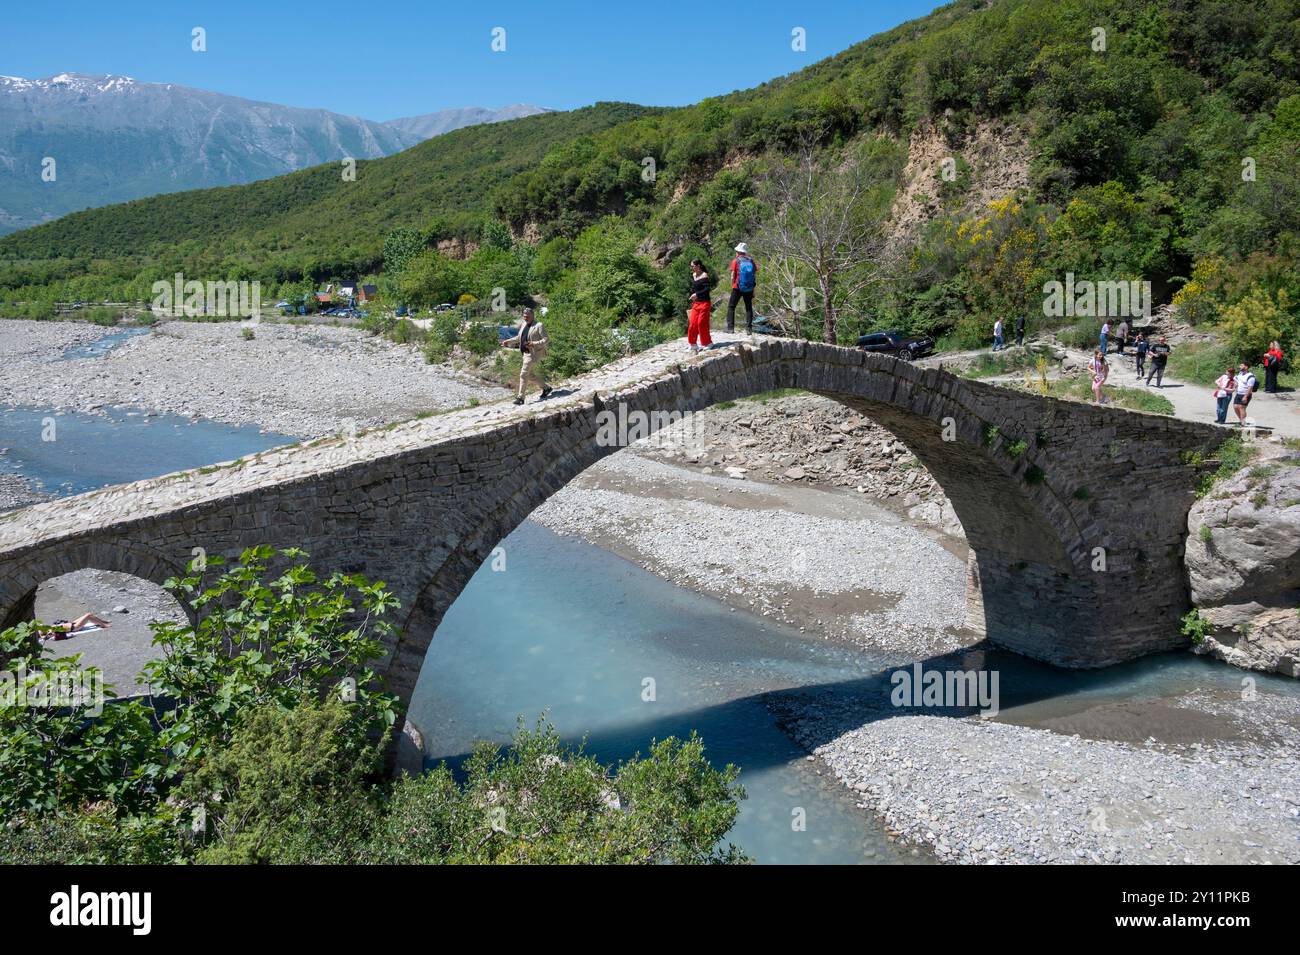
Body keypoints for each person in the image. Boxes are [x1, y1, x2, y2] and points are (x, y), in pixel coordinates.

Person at [501, 307, 552, 405]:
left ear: (532, 315)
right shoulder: (524, 324)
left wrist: (534, 343)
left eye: (527, 316)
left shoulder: (539, 325)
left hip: (533, 354)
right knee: (530, 375)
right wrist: (508, 341)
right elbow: (519, 338)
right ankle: (546, 388)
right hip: (525, 353)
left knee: (523, 374)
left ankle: (521, 398)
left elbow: (546, 339)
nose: (525, 318)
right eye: (524, 316)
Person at [726, 242, 757, 334]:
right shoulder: (751, 261)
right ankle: (749, 329)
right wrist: (753, 289)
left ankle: (730, 328)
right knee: (748, 307)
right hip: (749, 287)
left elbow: (732, 275)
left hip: (737, 287)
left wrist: (733, 285)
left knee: (731, 307)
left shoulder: (736, 261)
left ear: (738, 252)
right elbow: (754, 275)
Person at [686, 259, 714, 354]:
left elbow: (707, 289)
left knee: (702, 323)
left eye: (693, 266)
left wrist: (696, 294)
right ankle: (693, 344)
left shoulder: (704, 275)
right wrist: (694, 295)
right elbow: (695, 288)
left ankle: (708, 343)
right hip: (696, 304)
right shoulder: (693, 275)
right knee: (693, 324)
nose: (691, 267)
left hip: (705, 303)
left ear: (698, 266)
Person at [40, 612, 111, 641]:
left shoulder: (47, 629)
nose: (42, 625)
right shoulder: (48, 633)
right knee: (88, 616)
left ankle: (102, 621)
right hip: (74, 627)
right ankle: (103, 625)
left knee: (88, 614)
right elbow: (47, 637)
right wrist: (48, 633)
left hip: (71, 624)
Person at [1234, 361, 1258, 426]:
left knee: (1242, 408)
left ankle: (1243, 423)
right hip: (1239, 393)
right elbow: (1237, 380)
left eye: (1241, 365)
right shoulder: (1240, 374)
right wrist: (1235, 384)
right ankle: (1241, 420)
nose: (1240, 367)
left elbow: (1250, 387)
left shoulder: (1250, 376)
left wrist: (1245, 396)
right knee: (1235, 407)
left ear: (1246, 367)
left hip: (1245, 394)